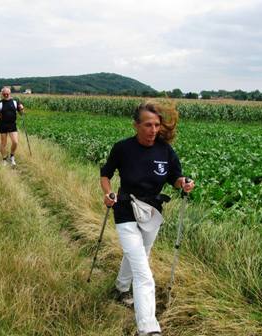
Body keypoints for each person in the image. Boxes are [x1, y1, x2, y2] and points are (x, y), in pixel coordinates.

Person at [100, 101, 195, 336]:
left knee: (139, 254)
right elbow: (106, 173)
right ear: (136, 125)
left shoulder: (165, 150)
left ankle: (121, 288)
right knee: (144, 273)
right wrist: (108, 193)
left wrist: (183, 183)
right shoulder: (123, 148)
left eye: (157, 125)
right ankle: (148, 328)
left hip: (152, 212)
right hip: (125, 209)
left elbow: (175, 177)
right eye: (148, 125)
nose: (153, 130)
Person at [0, 87, 24, 167]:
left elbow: (21, 114)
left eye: (7, 93)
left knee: (15, 142)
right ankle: (4, 159)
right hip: (3, 125)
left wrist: (21, 108)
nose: (6, 95)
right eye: (4, 94)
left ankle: (12, 156)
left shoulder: (15, 102)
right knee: (3, 144)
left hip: (12, 124)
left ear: (10, 93)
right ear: (2, 94)